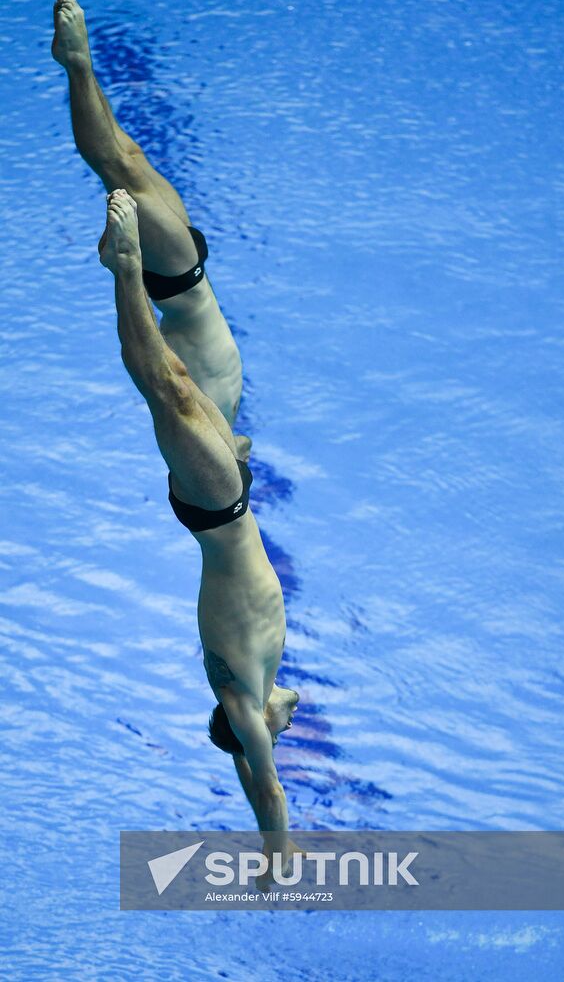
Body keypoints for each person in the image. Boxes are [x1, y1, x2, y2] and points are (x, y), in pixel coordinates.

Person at [98, 188, 300, 870]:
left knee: (169, 391)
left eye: (274, 733)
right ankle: (129, 270)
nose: (289, 723)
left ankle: (124, 268)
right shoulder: (263, 682)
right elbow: (256, 770)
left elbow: (266, 789)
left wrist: (276, 858)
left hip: (214, 510)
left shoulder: (242, 699)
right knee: (181, 380)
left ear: (248, 734)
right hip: (231, 500)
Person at [52, 0, 245, 440]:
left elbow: (153, 368)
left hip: (181, 285)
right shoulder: (227, 434)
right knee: (130, 157)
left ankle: (77, 62)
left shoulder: (196, 425)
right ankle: (78, 63)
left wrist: (127, 269)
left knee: (117, 168)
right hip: (193, 277)